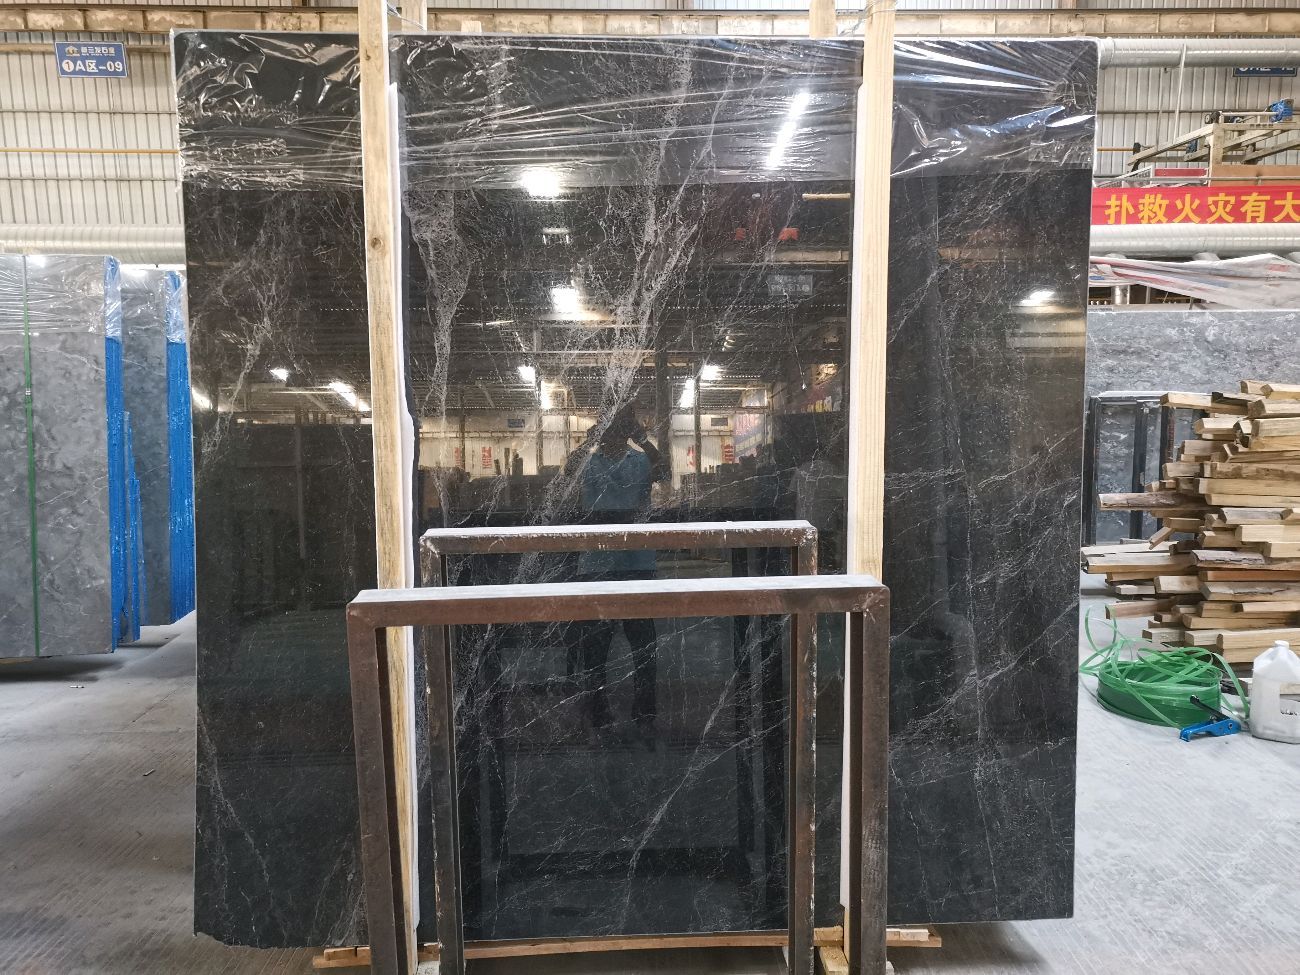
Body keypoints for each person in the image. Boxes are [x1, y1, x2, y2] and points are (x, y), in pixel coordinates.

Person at [562, 405, 668, 738]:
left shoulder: (641, 461)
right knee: (598, 647)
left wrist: (643, 440)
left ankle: (643, 712)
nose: (614, 431)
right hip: (599, 565)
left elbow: (664, 470)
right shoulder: (590, 462)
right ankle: (600, 713)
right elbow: (568, 470)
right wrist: (588, 441)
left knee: (642, 645)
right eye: (610, 425)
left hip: (634, 563)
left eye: (620, 426)